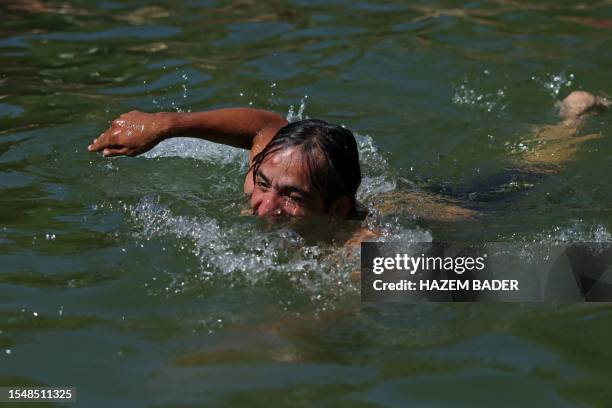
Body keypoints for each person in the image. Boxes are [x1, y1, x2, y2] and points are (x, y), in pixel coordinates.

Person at [88, 91, 609, 225]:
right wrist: (165, 124)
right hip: (365, 186)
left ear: (336, 210)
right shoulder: (273, 162)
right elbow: (264, 126)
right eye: (263, 182)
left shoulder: (354, 241)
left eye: (291, 198)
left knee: (536, 169)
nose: (264, 206)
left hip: (467, 209)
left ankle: (575, 119)